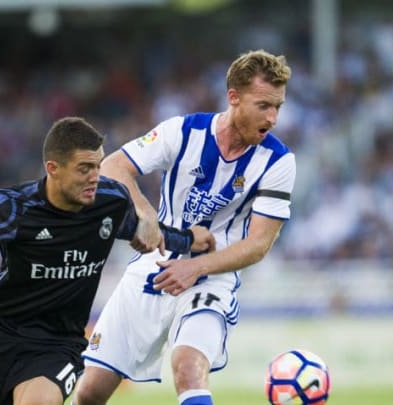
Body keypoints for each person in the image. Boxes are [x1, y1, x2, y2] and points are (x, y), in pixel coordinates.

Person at [0, 117, 215, 405]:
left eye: (98, 166)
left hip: (56, 343)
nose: (95, 177)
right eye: (84, 168)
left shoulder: (110, 202)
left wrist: (187, 240)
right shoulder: (10, 209)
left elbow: (146, 234)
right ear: (53, 168)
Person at [74, 49, 296, 405]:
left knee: (189, 367)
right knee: (89, 393)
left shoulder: (279, 161)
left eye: (278, 107)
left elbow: (259, 244)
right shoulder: (181, 131)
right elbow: (114, 167)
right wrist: (147, 218)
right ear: (234, 98)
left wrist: (196, 266)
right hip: (154, 266)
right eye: (264, 105)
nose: (273, 118)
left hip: (212, 275)